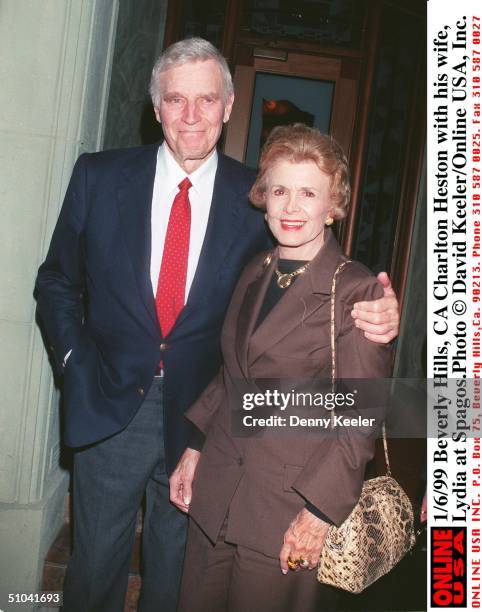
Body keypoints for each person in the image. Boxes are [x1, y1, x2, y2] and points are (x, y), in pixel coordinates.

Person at [35, 38, 399, 612]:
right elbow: (56, 280)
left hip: (205, 424)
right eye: (176, 100)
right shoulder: (99, 176)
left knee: (177, 579)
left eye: (206, 100)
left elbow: (314, 273)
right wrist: (74, 363)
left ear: (229, 106)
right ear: (156, 108)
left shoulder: (258, 197)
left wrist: (379, 307)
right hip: (108, 404)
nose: (191, 116)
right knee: (93, 571)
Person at [172, 124, 393, 612]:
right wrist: (197, 446)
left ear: (332, 204)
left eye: (308, 193)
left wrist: (317, 513)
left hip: (287, 510)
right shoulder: (257, 268)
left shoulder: (356, 291)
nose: (291, 207)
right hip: (218, 492)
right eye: (279, 190)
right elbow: (234, 375)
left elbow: (359, 419)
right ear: (263, 198)